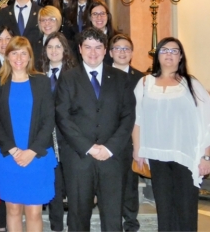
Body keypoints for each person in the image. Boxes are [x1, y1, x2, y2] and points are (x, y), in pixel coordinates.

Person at [55, 28, 136, 231]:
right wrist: (89, 147)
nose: (93, 52)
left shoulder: (121, 78)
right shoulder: (67, 78)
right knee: (78, 216)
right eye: (88, 47)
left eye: (98, 47)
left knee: (112, 217)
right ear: (80, 49)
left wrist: (108, 148)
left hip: (113, 159)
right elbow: (62, 118)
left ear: (105, 50)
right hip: (79, 158)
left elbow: (128, 117)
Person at [133, 37, 210, 232]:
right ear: (157, 55)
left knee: (186, 212)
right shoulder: (144, 83)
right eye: (164, 50)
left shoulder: (191, 84)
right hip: (157, 156)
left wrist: (206, 156)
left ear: (181, 56)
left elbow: (207, 121)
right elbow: (137, 119)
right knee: (164, 212)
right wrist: (137, 149)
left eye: (174, 51)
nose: (169, 54)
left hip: (186, 156)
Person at [0, 36, 57, 232]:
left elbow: (49, 119)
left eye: (23, 53)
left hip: (37, 156)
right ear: (7, 56)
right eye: (14, 52)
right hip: (8, 156)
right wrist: (12, 149)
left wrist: (32, 151)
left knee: (34, 211)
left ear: (30, 56)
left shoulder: (42, 82)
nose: (18, 57)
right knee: (12, 209)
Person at [109, 34, 144, 232]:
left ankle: (131, 223)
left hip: (131, 140)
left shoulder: (141, 78)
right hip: (106, 140)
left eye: (126, 49)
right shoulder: (102, 74)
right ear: (111, 52)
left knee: (130, 186)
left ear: (131, 53)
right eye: (118, 48)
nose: (122, 52)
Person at [42, 31, 77, 232]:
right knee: (53, 184)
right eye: (50, 47)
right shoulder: (38, 74)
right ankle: (56, 226)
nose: (54, 51)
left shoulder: (75, 74)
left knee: (73, 185)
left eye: (58, 46)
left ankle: (74, 225)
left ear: (65, 49)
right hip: (47, 138)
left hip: (69, 137)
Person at [32, 5, 62, 70]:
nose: (47, 23)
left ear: (58, 21)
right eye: (43, 20)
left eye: (51, 19)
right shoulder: (33, 45)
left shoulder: (69, 45)